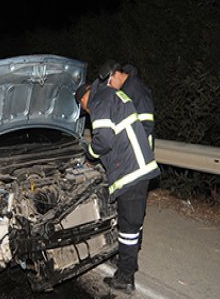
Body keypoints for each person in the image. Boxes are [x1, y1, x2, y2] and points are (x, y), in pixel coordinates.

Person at [75, 79, 161, 294]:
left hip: (130, 172)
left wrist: (89, 155)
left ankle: (125, 277)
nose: (86, 111)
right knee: (133, 223)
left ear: (84, 99)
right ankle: (129, 263)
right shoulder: (112, 94)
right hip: (139, 167)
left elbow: (103, 140)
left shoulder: (98, 101)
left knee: (128, 229)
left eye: (83, 108)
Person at [99, 59, 155, 149]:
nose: (109, 86)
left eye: (109, 82)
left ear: (116, 74)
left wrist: (128, 146)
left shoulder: (136, 88)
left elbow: (146, 123)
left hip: (140, 150)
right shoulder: (124, 90)